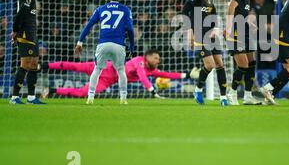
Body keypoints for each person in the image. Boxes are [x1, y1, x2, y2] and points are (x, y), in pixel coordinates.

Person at [41, 49, 195, 98]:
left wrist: (186, 75)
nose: (158, 61)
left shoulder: (152, 70)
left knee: (83, 93)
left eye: (158, 59)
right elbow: (141, 75)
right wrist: (152, 91)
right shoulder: (139, 61)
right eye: (155, 58)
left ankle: (52, 90)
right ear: (147, 56)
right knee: (75, 66)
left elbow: (167, 75)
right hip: (103, 67)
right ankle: (45, 65)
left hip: (108, 81)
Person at [72, 0, 134, 105]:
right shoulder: (126, 10)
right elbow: (130, 29)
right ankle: (123, 99)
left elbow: (88, 26)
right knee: (121, 70)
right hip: (119, 44)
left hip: (103, 43)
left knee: (97, 69)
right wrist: (132, 46)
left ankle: (90, 97)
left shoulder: (100, 9)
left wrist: (80, 42)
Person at [181, 0, 228, 106]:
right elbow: (185, 11)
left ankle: (223, 98)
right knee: (210, 64)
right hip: (199, 34)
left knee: (220, 63)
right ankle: (198, 89)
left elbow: (213, 13)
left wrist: (216, 28)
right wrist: (189, 33)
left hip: (210, 34)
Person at [225, 0, 261, 105]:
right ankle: (232, 93)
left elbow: (240, 11)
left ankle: (248, 95)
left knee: (251, 62)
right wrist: (228, 28)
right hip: (236, 32)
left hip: (244, 30)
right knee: (243, 65)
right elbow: (231, 7)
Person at [10, 0, 45, 105]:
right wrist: (15, 31)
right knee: (25, 64)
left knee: (34, 64)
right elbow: (20, 14)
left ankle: (31, 97)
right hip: (25, 34)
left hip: (32, 34)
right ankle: (14, 97)